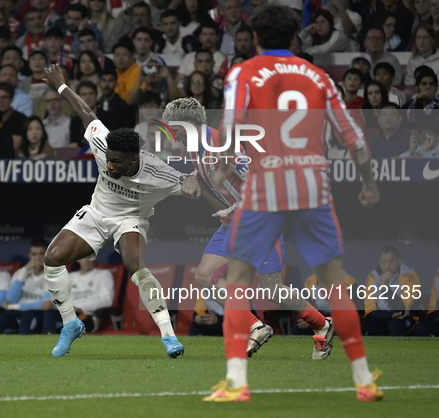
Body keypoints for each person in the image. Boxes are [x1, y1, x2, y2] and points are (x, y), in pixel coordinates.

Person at [204, 4, 382, 403]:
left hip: (265, 191)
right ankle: (364, 380)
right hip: (312, 189)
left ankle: (236, 384)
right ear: (293, 38)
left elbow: (230, 125)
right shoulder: (318, 75)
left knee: (236, 283)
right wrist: (368, 184)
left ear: (256, 39)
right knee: (334, 281)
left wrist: (220, 167)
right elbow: (352, 135)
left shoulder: (244, 72)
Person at [39, 64, 202, 358]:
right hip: (97, 212)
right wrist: (62, 86)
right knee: (52, 258)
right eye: (108, 160)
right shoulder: (104, 144)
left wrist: (191, 184)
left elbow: (188, 181)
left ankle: (168, 336)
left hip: (131, 219)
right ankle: (70, 325)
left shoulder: (158, 173)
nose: (109, 166)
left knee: (135, 265)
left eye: (116, 162)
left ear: (133, 159)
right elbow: (87, 112)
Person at [163, 97, 335, 358]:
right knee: (203, 276)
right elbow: (201, 170)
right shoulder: (194, 147)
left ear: (188, 125)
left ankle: (322, 324)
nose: (175, 139)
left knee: (271, 288)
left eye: (176, 132)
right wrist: (191, 179)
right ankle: (254, 326)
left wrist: (234, 209)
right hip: (235, 222)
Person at [0, 239, 55, 334]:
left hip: (38, 314)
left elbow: (45, 305)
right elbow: (9, 300)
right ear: (29, 255)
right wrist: (24, 271)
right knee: (3, 316)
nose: (37, 258)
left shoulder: (54, 276)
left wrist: (12, 307)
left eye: (41, 254)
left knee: (27, 315)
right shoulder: (21, 273)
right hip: (17, 312)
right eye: (34, 254)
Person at [361, 245, 423, 336]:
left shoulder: (410, 276)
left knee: (394, 325)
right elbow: (369, 311)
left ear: (398, 261)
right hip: (385, 318)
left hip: (408, 319)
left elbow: (403, 311)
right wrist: (389, 316)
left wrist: (385, 287)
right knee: (360, 324)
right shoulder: (372, 277)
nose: (388, 266)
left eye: (391, 261)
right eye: (384, 262)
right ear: (379, 263)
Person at [67, 258, 114, 333]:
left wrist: (81, 308)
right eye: (83, 256)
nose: (86, 260)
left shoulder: (103, 275)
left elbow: (107, 300)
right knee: (48, 316)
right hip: (68, 313)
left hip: (88, 315)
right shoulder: (70, 277)